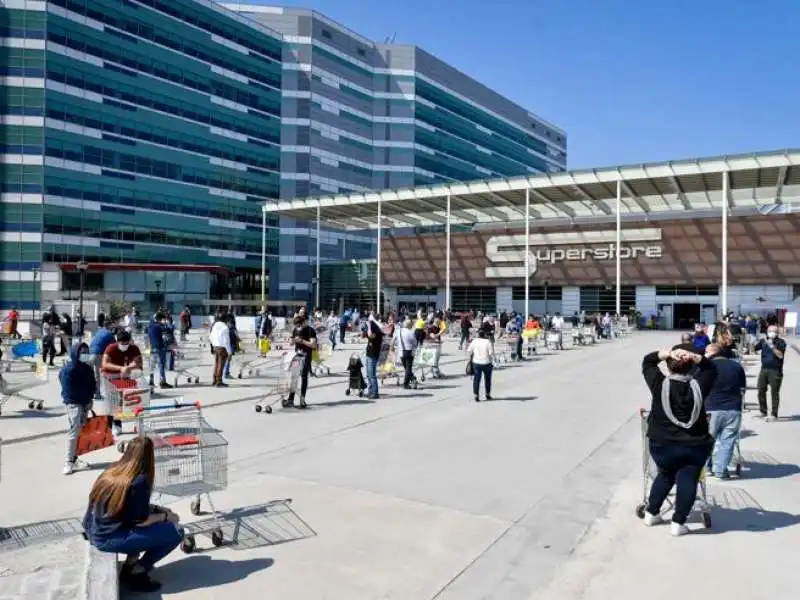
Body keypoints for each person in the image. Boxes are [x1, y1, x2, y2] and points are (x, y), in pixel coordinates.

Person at [82, 437, 183, 593]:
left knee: (152, 526)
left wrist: (158, 509)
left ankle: (130, 564)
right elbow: (141, 521)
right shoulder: (139, 480)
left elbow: (128, 507)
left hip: (93, 529)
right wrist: (166, 517)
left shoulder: (113, 471)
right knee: (176, 531)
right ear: (149, 456)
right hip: (108, 539)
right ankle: (138, 571)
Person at [641, 345, 716, 536]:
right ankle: (678, 523)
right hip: (694, 445)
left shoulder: (659, 384)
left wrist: (666, 353)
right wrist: (695, 357)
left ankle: (651, 513)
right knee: (688, 480)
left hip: (662, 445)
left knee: (665, 475)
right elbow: (711, 368)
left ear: (668, 366)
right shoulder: (699, 385)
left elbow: (648, 361)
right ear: (692, 368)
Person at [704, 343, 746, 479]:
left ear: (711, 353)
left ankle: (706, 468)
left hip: (711, 408)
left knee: (707, 440)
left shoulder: (706, 366)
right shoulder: (736, 366)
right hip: (733, 409)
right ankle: (721, 471)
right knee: (727, 442)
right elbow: (742, 389)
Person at [60, 342, 97, 475]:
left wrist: (90, 399)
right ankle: (68, 461)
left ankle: (74, 459)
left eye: (87, 352)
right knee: (74, 431)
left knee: (80, 430)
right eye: (83, 353)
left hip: (85, 402)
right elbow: (67, 389)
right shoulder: (69, 370)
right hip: (73, 403)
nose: (85, 355)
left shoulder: (87, 368)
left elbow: (92, 384)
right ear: (76, 353)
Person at [101, 330, 144, 437]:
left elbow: (139, 362)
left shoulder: (134, 348)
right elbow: (105, 364)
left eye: (126, 343)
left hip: (125, 375)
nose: (124, 345)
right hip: (110, 376)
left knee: (134, 398)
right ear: (117, 341)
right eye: (122, 343)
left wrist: (129, 367)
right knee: (115, 402)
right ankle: (116, 425)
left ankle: (137, 423)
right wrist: (121, 368)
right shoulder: (111, 348)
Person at [754, 325, 786, 421]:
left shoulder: (781, 342)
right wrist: (755, 341)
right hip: (764, 369)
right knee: (760, 390)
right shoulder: (764, 341)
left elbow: (780, 355)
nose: (772, 332)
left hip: (775, 370)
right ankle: (763, 412)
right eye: (770, 331)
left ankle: (774, 414)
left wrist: (772, 346)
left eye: (774, 331)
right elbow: (754, 348)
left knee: (774, 392)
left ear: (777, 333)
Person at [288, 313, 317, 408]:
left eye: (299, 325)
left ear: (303, 322)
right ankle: (290, 399)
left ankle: (302, 399)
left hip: (306, 356)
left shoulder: (310, 330)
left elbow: (313, 345)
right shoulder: (295, 330)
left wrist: (302, 341)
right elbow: (291, 343)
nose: (298, 328)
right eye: (296, 326)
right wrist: (292, 341)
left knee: (304, 377)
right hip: (297, 356)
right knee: (294, 377)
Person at [89, 313, 116, 400]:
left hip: (89, 354)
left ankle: (93, 394)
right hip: (98, 355)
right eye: (112, 324)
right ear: (109, 325)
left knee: (93, 375)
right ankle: (108, 393)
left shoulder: (99, 331)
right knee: (108, 372)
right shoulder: (109, 334)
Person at [467, 329, 495, 402]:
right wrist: (493, 360)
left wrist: (471, 357)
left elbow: (469, 351)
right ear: (485, 335)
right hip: (486, 362)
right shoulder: (488, 342)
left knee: (477, 379)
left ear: (478, 335)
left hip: (476, 362)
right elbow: (491, 353)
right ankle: (487, 394)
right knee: (488, 379)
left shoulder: (474, 341)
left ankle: (476, 395)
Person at [147, 313, 173, 389]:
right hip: (160, 348)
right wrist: (167, 323)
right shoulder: (160, 326)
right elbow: (170, 330)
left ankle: (151, 381)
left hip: (151, 349)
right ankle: (162, 382)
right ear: (160, 319)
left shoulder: (149, 326)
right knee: (161, 365)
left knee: (151, 366)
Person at [208, 312, 232, 388]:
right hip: (222, 348)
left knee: (216, 363)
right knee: (221, 365)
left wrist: (213, 345)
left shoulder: (214, 325)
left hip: (215, 347)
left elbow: (210, 337)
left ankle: (214, 380)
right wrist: (229, 352)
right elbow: (226, 341)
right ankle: (219, 381)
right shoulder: (225, 327)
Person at [364, 313, 384, 399]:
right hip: (369, 353)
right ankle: (370, 390)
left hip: (373, 354)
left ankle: (375, 392)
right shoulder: (374, 329)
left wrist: (368, 326)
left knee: (372, 375)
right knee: (368, 374)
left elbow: (370, 336)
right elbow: (366, 335)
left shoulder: (377, 331)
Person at [394, 318, 417, 389]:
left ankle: (412, 379)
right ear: (410, 325)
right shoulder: (411, 332)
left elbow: (394, 339)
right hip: (409, 351)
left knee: (406, 368)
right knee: (408, 368)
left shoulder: (398, 331)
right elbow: (415, 343)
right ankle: (406, 384)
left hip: (401, 352)